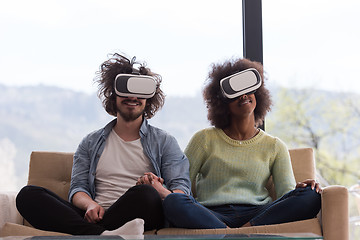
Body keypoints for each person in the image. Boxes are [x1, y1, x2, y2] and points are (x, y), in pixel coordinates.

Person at [16, 53, 191, 235]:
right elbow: (78, 189)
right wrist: (90, 204)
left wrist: (159, 189)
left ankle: (89, 235)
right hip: (97, 215)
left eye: (139, 92)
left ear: (148, 99)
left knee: (146, 194)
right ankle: (102, 235)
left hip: (140, 211)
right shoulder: (90, 142)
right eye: (125, 90)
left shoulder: (165, 142)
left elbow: (181, 190)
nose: (132, 97)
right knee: (28, 196)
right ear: (113, 95)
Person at [162, 58, 322, 229]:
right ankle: (239, 233)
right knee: (173, 202)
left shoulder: (275, 145)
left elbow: (286, 194)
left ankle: (236, 232)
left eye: (248, 90)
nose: (244, 95)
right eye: (235, 93)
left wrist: (302, 189)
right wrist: (160, 186)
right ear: (221, 101)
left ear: (257, 94)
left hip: (259, 213)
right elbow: (181, 182)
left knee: (311, 195)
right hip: (211, 213)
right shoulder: (203, 139)